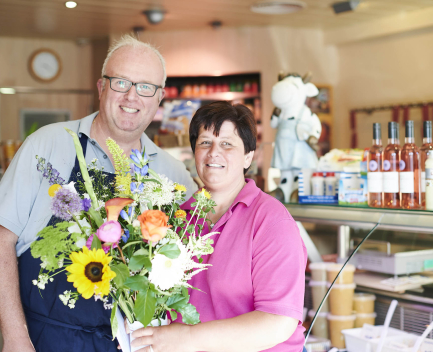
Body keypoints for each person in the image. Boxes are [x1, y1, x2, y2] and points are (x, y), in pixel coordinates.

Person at [0, 34, 197, 352]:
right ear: (101, 86)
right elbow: (1, 239)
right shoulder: (47, 145)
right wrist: (14, 337)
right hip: (46, 341)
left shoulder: (173, 174)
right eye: (121, 82)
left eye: (145, 87)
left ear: (159, 98)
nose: (132, 97)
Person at [130, 101, 307, 352]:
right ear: (194, 153)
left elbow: (278, 322)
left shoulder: (271, 221)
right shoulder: (179, 218)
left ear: (248, 155)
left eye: (227, 144)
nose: (214, 152)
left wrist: (189, 339)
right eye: (205, 142)